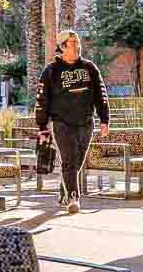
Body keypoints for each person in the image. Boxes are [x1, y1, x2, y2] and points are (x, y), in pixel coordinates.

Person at [33, 29, 108, 213]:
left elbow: (101, 94)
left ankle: (65, 189)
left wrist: (104, 119)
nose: (77, 47)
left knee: (78, 161)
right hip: (61, 123)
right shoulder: (51, 71)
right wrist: (42, 125)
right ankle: (73, 198)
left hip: (86, 122)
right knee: (68, 161)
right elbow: (42, 99)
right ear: (63, 47)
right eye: (73, 44)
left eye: (78, 43)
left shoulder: (90, 68)